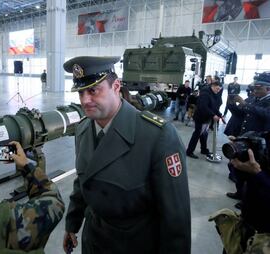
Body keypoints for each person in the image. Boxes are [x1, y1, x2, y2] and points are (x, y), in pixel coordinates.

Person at [62, 56, 191, 254]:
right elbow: (83, 183)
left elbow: (176, 218)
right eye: (80, 92)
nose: (84, 100)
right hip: (93, 241)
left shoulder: (157, 136)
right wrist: (72, 223)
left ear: (116, 86)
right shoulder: (83, 130)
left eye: (93, 90)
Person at [209, 146, 270, 254]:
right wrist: (239, 154)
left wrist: (258, 172)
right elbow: (244, 179)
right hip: (245, 225)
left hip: (264, 238)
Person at [224, 72, 270, 207]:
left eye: (258, 88)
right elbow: (240, 113)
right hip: (245, 140)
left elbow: (265, 115)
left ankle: (246, 200)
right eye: (254, 88)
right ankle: (239, 193)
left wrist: (245, 104)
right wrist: (231, 104)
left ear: (268, 89)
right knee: (237, 168)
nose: (254, 90)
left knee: (252, 175)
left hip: (258, 145)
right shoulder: (252, 99)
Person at [186, 81, 223, 159]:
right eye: (217, 88)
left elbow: (213, 106)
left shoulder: (212, 93)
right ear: (213, 86)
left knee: (204, 134)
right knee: (197, 134)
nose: (218, 90)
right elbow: (203, 107)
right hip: (200, 117)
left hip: (206, 118)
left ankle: (203, 149)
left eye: (219, 89)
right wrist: (213, 115)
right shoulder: (205, 93)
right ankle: (189, 151)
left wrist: (219, 114)